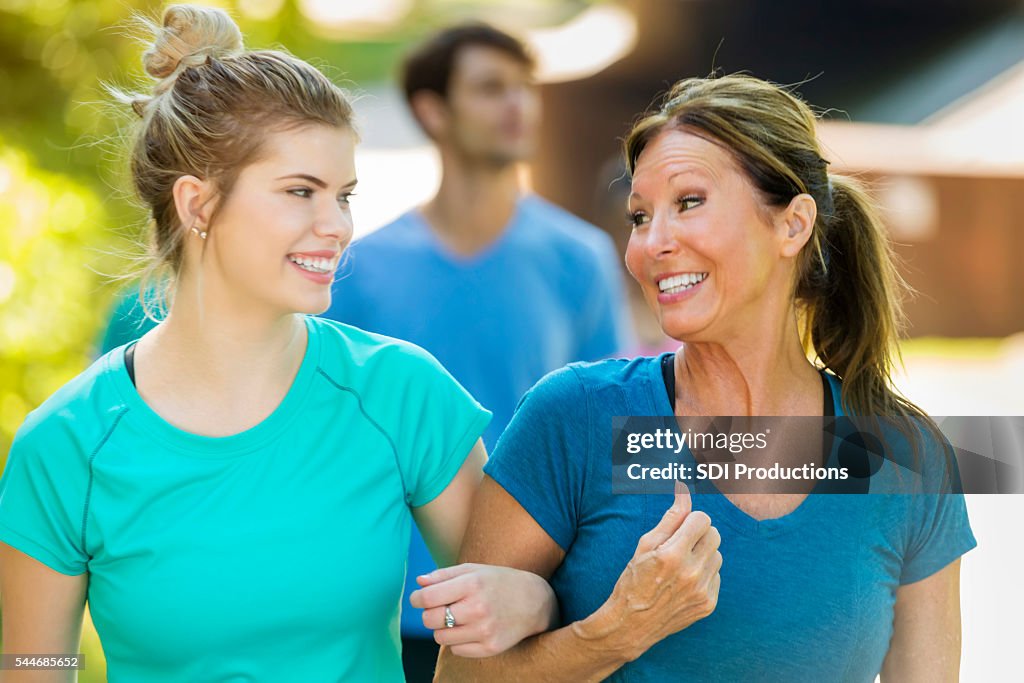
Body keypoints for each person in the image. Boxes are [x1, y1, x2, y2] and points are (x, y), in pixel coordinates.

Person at [0, 6, 556, 681]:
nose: (338, 225)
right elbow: (33, 665)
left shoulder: (401, 393)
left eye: (344, 195)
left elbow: (511, 614)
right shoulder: (65, 445)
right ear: (197, 204)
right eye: (301, 192)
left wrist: (536, 597)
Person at [422, 74, 977, 681]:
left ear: (792, 225)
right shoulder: (574, 418)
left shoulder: (905, 458)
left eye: (689, 202)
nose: (651, 244)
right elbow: (458, 675)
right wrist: (616, 632)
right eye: (639, 216)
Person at [322, 23, 631, 677]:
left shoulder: (580, 260)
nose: (519, 105)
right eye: (492, 88)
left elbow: (611, 441)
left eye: (526, 88)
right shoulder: (358, 269)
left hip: (535, 601)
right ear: (433, 111)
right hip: (389, 611)